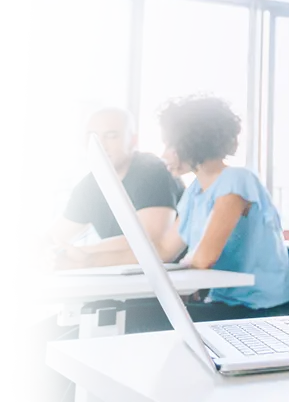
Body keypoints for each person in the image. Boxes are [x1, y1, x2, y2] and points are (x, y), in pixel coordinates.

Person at [31, 95, 289, 400]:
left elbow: (204, 258)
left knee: (82, 351)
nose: (164, 154)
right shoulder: (195, 192)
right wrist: (85, 260)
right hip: (221, 306)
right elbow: (162, 250)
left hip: (256, 313)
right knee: (63, 360)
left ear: (192, 142)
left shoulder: (237, 180)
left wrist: (102, 259)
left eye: (170, 144)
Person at [9, 106, 182, 402]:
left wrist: (60, 252)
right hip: (114, 298)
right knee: (13, 360)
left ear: (133, 139)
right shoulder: (90, 185)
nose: (101, 143)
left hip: (161, 301)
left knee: (51, 365)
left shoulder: (151, 171)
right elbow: (54, 237)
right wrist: (37, 248)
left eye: (112, 135)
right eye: (93, 135)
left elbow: (148, 241)